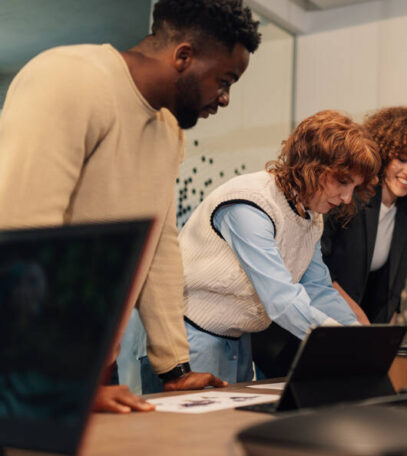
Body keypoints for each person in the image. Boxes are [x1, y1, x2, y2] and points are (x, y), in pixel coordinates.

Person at [0, 0, 261, 413]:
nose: (224, 99)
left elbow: (159, 250)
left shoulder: (168, 132)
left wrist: (174, 367)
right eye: (224, 80)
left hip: (90, 364)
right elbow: (21, 234)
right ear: (184, 56)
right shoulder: (71, 79)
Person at [179, 110, 380, 383]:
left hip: (237, 339)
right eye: (342, 182)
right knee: (197, 426)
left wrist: (366, 343)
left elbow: (318, 290)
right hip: (189, 336)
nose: (346, 198)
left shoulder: (311, 217)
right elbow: (280, 299)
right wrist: (347, 345)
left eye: (354, 187)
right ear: (312, 166)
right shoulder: (249, 204)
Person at [322, 106, 407, 385]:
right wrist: (372, 342)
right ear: (384, 155)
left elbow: (391, 292)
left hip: (357, 337)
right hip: (314, 327)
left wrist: (391, 349)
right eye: (402, 158)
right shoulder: (349, 197)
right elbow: (319, 273)